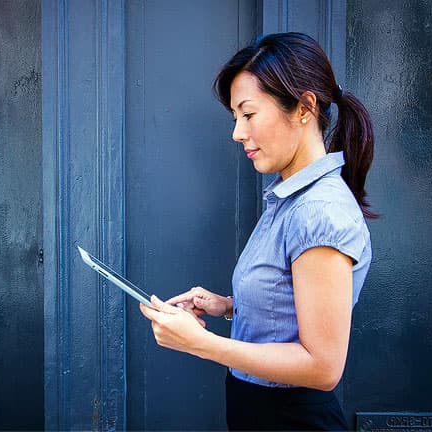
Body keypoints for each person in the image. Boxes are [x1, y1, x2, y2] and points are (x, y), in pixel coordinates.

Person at [140, 32, 376, 431]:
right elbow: (293, 304)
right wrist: (229, 305)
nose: (237, 132)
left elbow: (322, 367)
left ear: (304, 107)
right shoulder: (290, 199)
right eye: (236, 118)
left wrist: (201, 344)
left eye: (248, 114)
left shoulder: (318, 210)